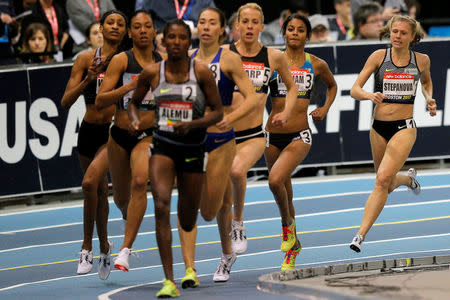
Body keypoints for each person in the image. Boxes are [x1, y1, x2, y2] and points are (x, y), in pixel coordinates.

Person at [130, 18, 223, 298]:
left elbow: (217, 113)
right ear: (164, 40)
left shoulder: (202, 73)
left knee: (187, 218)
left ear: (188, 42)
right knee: (160, 204)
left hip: (193, 148)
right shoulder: (151, 73)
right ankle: (168, 280)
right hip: (163, 146)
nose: (176, 42)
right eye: (171, 37)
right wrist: (135, 121)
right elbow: (133, 103)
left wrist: (193, 125)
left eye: (182, 38)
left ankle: (184, 259)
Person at [176, 7, 259, 286]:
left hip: (222, 139)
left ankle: (226, 254)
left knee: (214, 210)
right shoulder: (185, 59)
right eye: (202, 22)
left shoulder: (230, 59)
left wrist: (230, 119)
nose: (206, 27)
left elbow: (251, 97)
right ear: (196, 28)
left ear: (222, 29)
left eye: (213, 23)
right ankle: (191, 268)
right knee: (187, 201)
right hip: (191, 138)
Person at [349, 15, 436, 253]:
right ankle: (408, 179)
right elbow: (355, 89)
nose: (397, 36)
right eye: (394, 32)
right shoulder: (379, 57)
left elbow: (427, 83)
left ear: (412, 37)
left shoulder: (421, 60)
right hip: (378, 128)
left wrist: (429, 99)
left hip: (404, 127)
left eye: (403, 33)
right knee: (385, 183)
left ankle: (360, 235)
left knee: (381, 180)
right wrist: (369, 96)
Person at [224, 2, 297, 266]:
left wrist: (286, 112)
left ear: (262, 27)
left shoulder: (274, 56)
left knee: (236, 171)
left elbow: (291, 88)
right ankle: (225, 254)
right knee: (215, 199)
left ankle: (239, 222)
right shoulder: (224, 53)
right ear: (237, 26)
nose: (250, 26)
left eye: (255, 22)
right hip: (222, 134)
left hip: (253, 133)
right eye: (245, 21)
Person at [60, 10, 127, 280]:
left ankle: (86, 247)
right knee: (97, 192)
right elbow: (65, 102)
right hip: (88, 131)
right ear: (100, 27)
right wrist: (88, 79)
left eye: (120, 24)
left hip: (112, 132)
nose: (114, 26)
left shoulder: (126, 60)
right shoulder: (86, 58)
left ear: (125, 31)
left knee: (90, 184)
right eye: (110, 22)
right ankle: (103, 245)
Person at [267, 13, 337, 270]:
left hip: (300, 134)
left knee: (274, 180)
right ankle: (293, 248)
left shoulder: (315, 64)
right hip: (272, 134)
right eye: (290, 29)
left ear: (307, 35)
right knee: (285, 192)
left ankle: (287, 228)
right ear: (284, 33)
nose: (295, 33)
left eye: (300, 30)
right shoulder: (273, 60)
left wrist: (325, 109)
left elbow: (332, 86)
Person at [95, 9, 163, 272]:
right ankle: (126, 214)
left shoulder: (164, 62)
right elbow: (101, 99)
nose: (143, 30)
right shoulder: (122, 61)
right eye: (138, 27)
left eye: (148, 26)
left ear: (155, 31)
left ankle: (124, 250)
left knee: (139, 182)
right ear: (130, 33)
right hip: (119, 135)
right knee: (121, 198)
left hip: (147, 135)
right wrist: (129, 88)